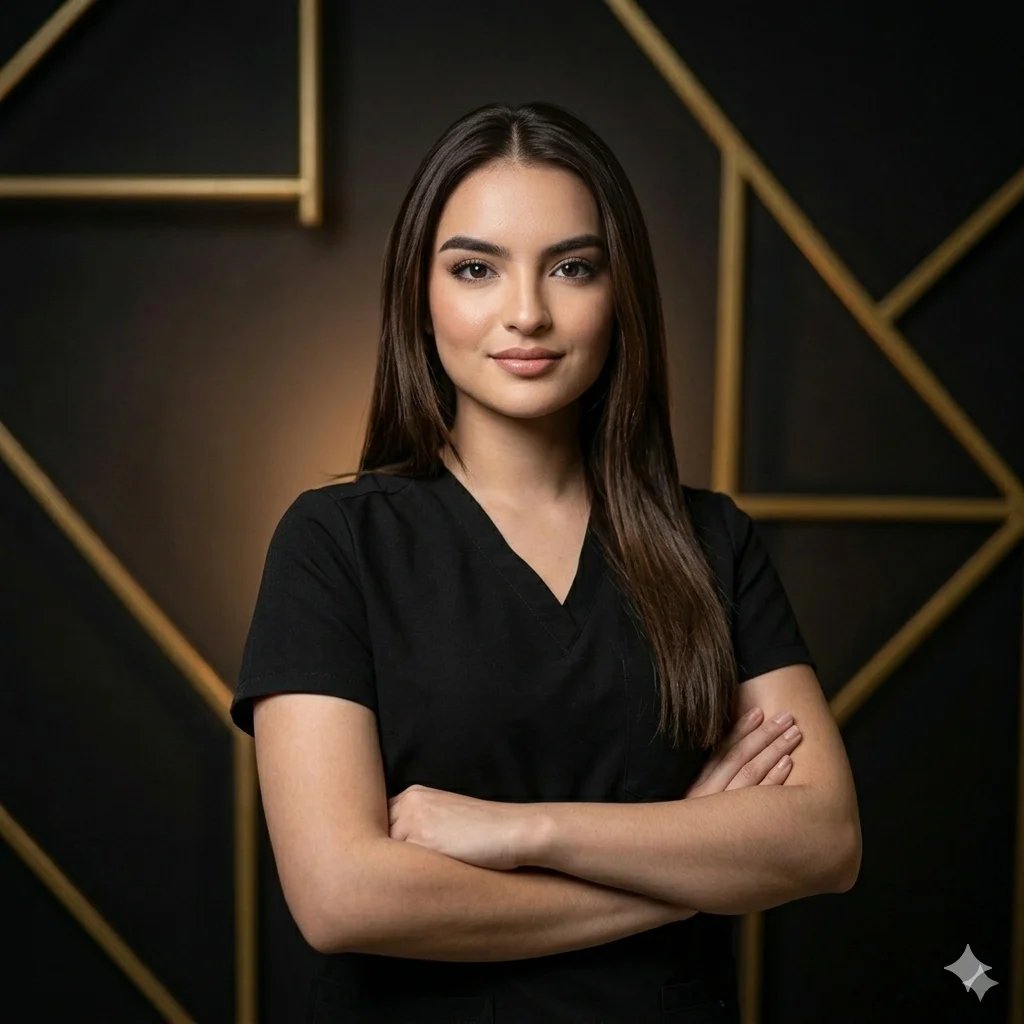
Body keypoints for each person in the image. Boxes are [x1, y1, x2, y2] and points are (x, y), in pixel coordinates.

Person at [230, 101, 861, 1023]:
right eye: (476, 268)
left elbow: (824, 839)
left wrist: (520, 831)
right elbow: (343, 897)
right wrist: (688, 870)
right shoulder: (336, 544)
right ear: (420, 291)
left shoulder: (713, 542)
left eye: (571, 267)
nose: (526, 313)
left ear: (621, 293)